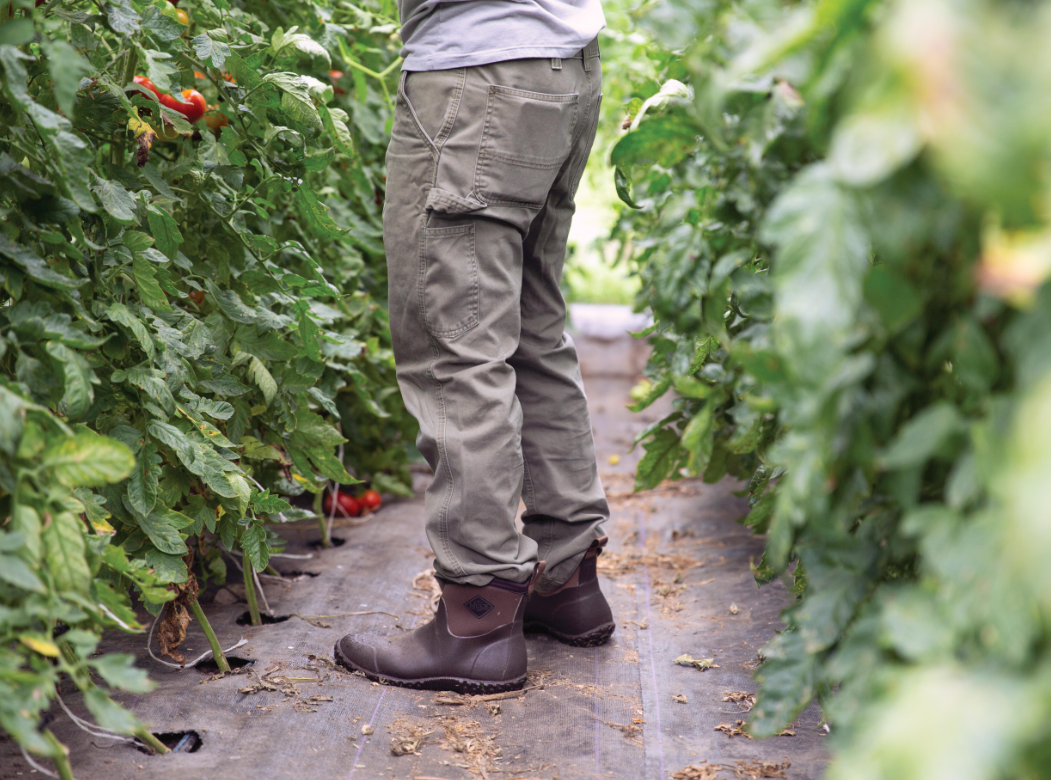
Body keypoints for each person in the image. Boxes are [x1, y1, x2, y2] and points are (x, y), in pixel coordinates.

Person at [334, 0, 614, 693]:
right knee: (529, 329)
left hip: (475, 73)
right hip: (564, 63)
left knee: (454, 345)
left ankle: (477, 618)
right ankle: (566, 580)